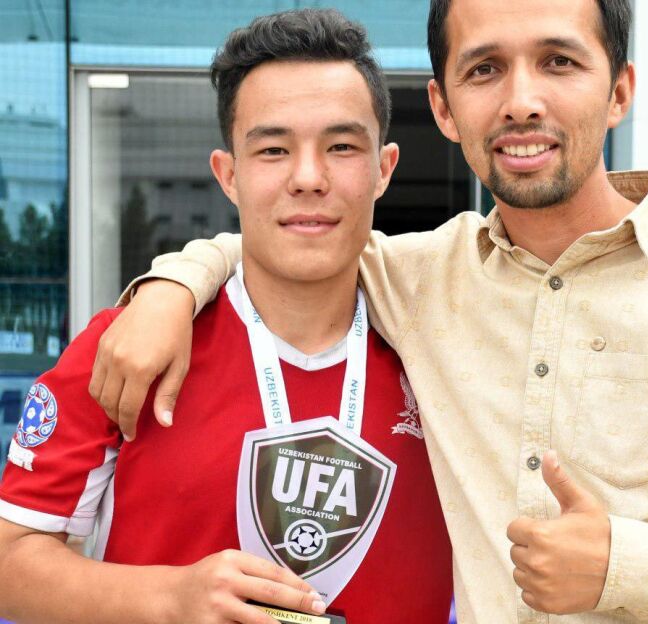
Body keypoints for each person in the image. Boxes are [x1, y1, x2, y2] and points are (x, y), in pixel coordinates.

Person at [89, 0, 648, 622]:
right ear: (443, 108)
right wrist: (172, 287)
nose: (520, 101)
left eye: (559, 62)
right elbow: (290, 231)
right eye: (484, 69)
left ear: (619, 91)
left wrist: (630, 566)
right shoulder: (421, 278)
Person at [0, 10, 452, 624]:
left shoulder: (445, 344)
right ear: (229, 175)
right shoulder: (131, 346)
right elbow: (11, 561)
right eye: (274, 150)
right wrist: (169, 599)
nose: (309, 178)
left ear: (384, 168)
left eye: (342, 147)